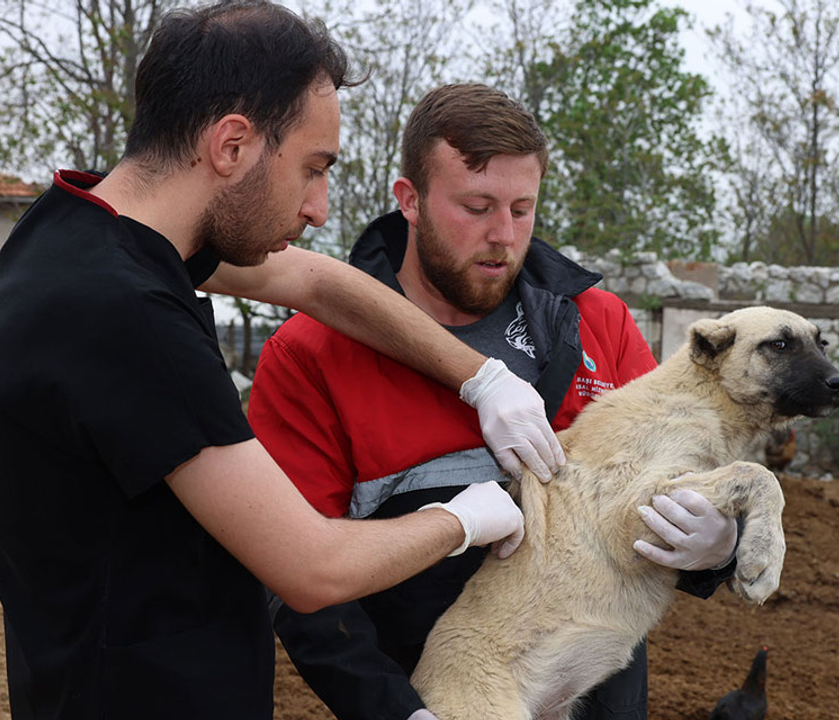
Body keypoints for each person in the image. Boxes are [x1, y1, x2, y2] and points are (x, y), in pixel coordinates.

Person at [0, 5, 566, 719]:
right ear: (233, 145)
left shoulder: (82, 229)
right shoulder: (124, 317)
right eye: (313, 168)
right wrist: (464, 517)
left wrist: (480, 376)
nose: (319, 207)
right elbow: (310, 567)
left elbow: (311, 280)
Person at [249, 83, 742, 720]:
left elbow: (680, 480)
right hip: (436, 691)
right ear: (411, 201)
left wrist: (718, 548)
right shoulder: (311, 354)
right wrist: (396, 712)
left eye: (521, 208)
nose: (503, 235)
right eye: (476, 206)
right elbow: (295, 582)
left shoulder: (600, 323)